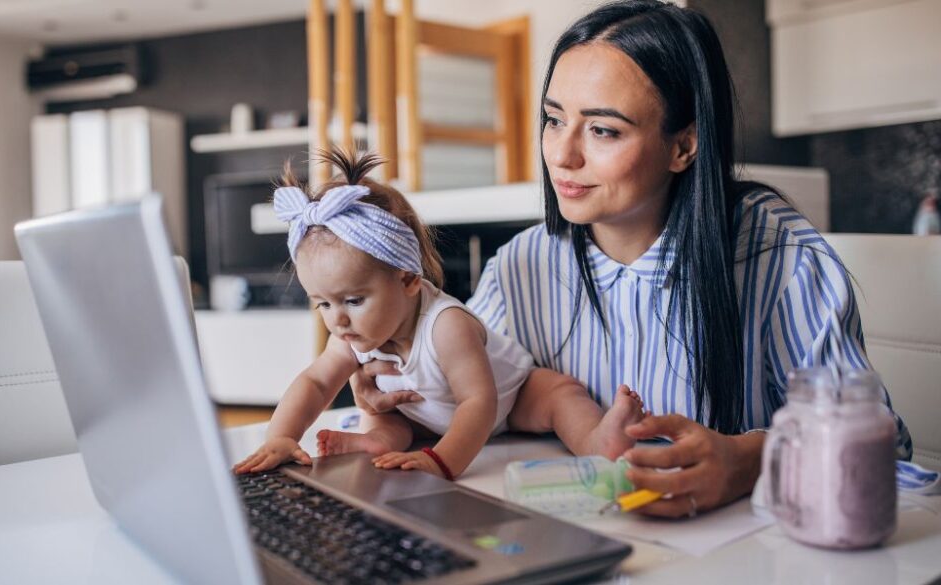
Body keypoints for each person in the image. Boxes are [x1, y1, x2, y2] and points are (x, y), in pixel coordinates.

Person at [352, 0, 913, 514]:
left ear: (682, 145)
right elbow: (475, 410)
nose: (563, 154)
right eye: (553, 120)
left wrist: (751, 460)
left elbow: (884, 448)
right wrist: (401, 405)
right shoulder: (522, 267)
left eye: (602, 130)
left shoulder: (778, 257)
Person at [233, 147, 645, 480]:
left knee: (560, 394)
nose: (337, 320)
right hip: (426, 416)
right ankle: (375, 443)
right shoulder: (348, 333)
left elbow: (478, 403)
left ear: (409, 279)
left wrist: (442, 460)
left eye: (354, 301)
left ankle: (597, 439)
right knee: (386, 417)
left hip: (510, 397)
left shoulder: (446, 326)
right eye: (322, 303)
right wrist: (282, 436)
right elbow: (315, 381)